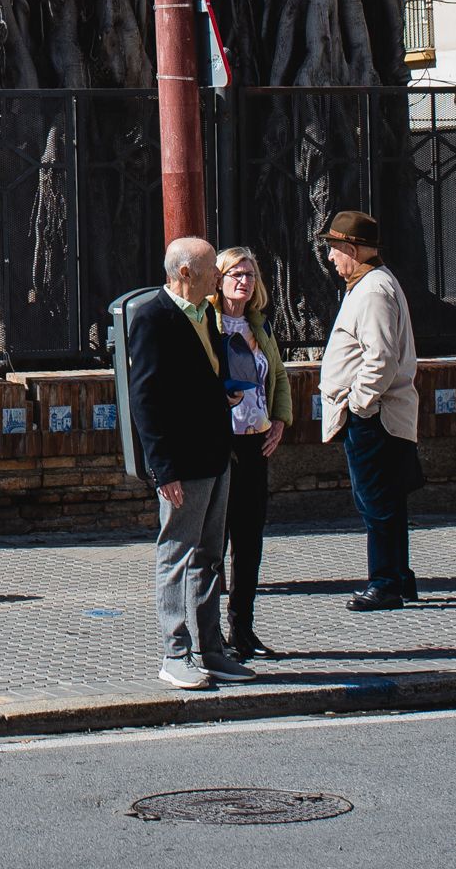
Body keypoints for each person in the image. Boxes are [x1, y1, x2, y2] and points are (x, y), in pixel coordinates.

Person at [129, 236, 245, 689]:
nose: (218, 275)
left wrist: (224, 393)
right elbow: (145, 399)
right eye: (212, 268)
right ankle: (175, 654)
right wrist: (163, 469)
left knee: (210, 557)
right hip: (183, 463)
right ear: (185, 273)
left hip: (216, 455)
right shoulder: (152, 318)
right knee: (176, 555)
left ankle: (212, 650)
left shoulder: (205, 313)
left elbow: (205, 374)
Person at [319, 211, 422, 610]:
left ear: (353, 248)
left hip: (375, 416)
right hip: (379, 413)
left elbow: (381, 357)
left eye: (334, 248)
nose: (331, 257)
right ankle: (399, 577)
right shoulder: (368, 285)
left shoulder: (374, 290)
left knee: (376, 503)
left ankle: (385, 582)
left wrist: (359, 404)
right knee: (387, 502)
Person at [209, 245, 292, 661]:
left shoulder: (260, 325)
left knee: (249, 539)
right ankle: (209, 633)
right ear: (219, 279)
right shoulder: (207, 323)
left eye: (250, 275)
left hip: (254, 441)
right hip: (218, 443)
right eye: (236, 274)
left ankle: (242, 627)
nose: (244, 281)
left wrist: (279, 420)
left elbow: (278, 375)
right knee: (215, 539)